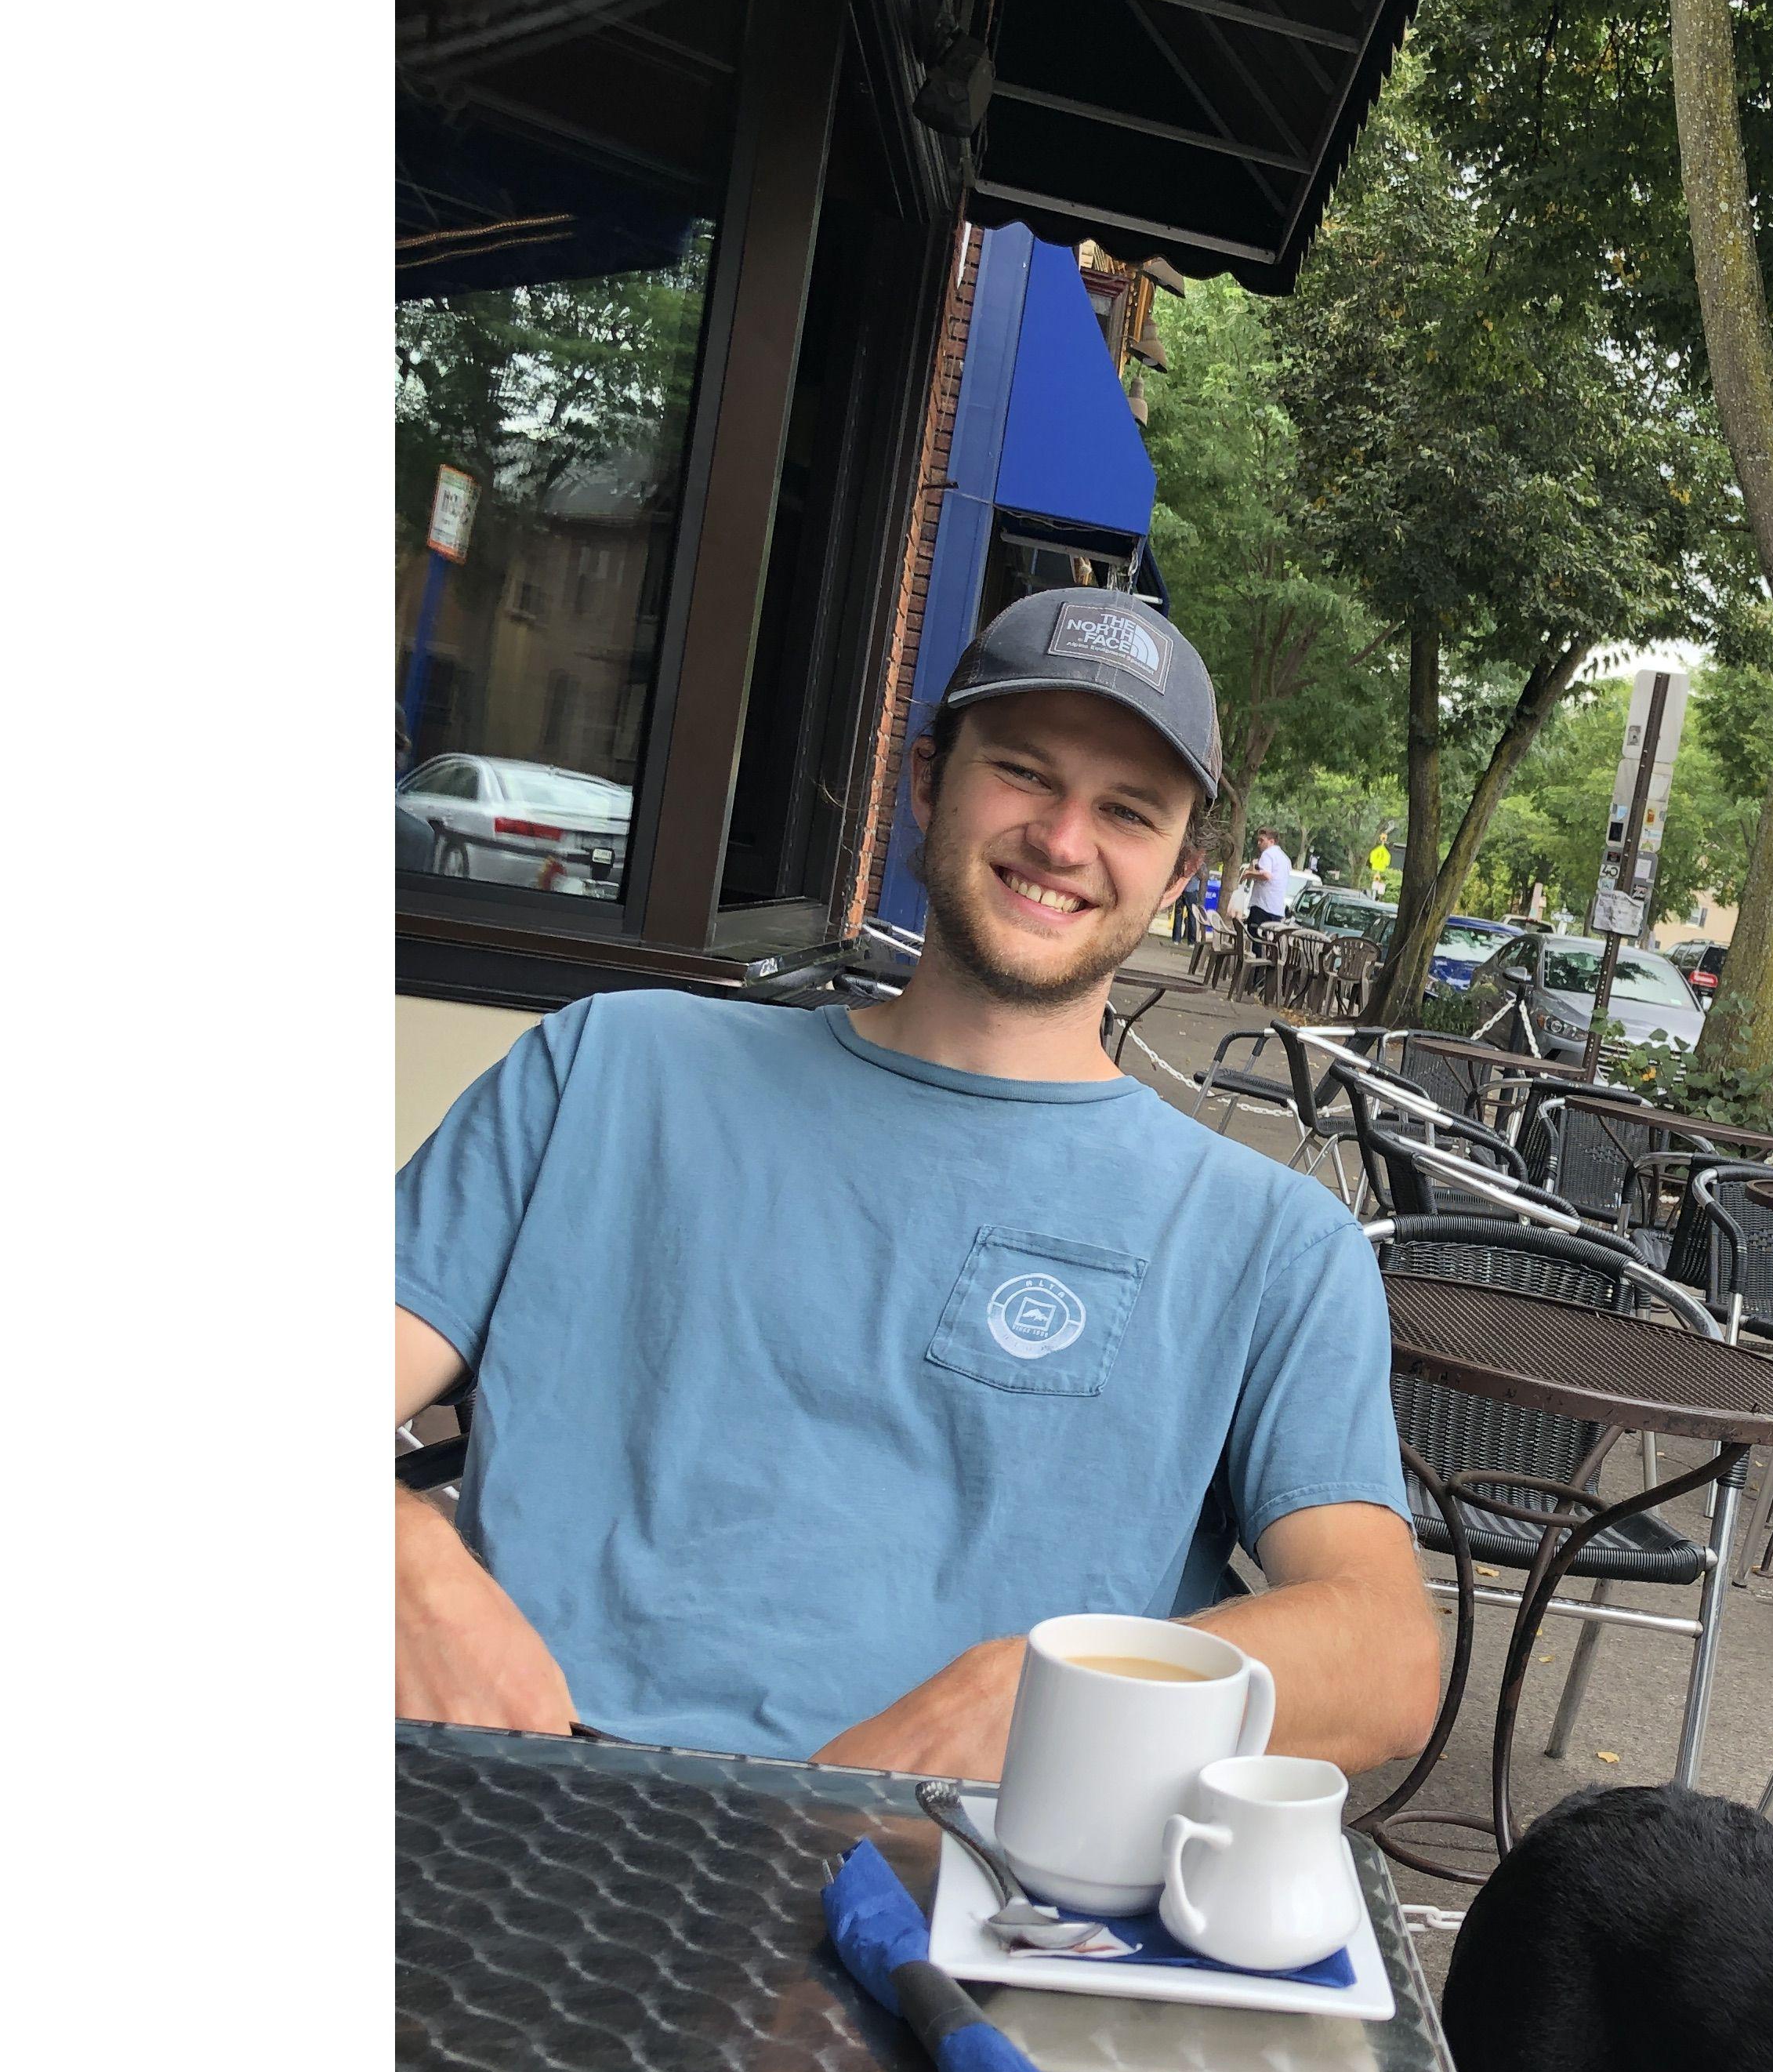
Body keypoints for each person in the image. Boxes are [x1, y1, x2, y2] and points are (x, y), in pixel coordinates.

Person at [396, 589, 1437, 1783]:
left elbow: (1385, 1660)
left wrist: (1050, 1701)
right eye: (1027, 774)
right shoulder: (610, 1068)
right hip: (521, 1805)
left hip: (953, 1881)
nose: (1061, 840)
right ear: (930, 781)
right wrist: (399, 1554)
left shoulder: (1271, 1243)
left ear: (1180, 873)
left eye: (1127, 811)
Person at [1245, 826, 1299, 936]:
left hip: (1262, 905)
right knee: (1269, 942)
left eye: (1262, 840)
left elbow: (1266, 875)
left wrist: (1249, 874)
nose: (1259, 844)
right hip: (1277, 908)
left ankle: (1258, 954)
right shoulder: (1285, 859)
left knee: (1256, 939)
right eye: (1258, 840)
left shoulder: (1268, 854)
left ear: (1271, 841)